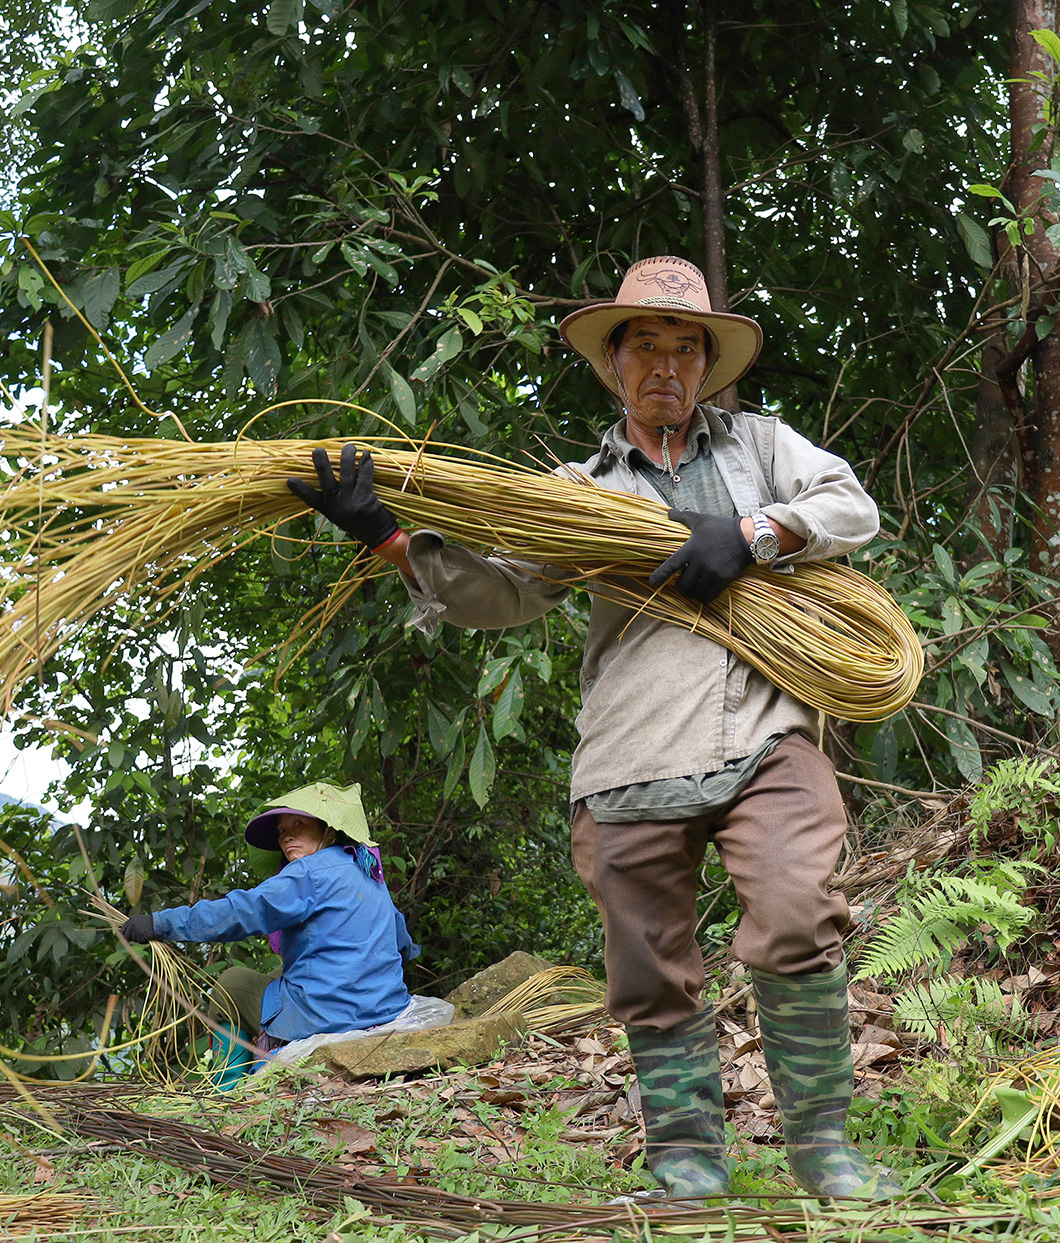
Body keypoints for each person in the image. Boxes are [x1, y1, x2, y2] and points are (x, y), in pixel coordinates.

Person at [286, 255, 901, 1200]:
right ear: (612, 364)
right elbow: (502, 593)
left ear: (706, 364)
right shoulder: (575, 488)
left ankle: (822, 1147)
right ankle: (685, 1161)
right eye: (644, 347)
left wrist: (751, 535)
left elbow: (848, 506)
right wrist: (388, 538)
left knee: (794, 913)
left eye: (684, 349)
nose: (665, 365)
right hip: (632, 749)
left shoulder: (763, 448)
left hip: (768, 728)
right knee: (649, 965)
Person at [120, 780, 419, 1089]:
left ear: (328, 829)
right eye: (281, 830)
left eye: (299, 824)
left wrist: (162, 923)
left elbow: (242, 911)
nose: (286, 835)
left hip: (329, 1017)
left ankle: (226, 1089)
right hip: (385, 1008)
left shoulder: (308, 873)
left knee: (233, 983)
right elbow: (402, 944)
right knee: (280, 973)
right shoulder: (368, 872)